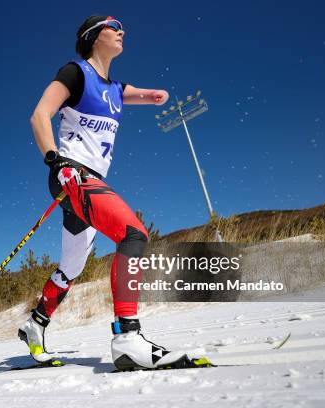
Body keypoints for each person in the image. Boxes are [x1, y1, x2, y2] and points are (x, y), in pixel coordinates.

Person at [19, 15, 207, 371]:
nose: (122, 31)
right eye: (113, 25)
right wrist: (54, 161)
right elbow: (40, 116)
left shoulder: (116, 89)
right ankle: (127, 338)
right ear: (93, 36)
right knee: (133, 234)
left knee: (72, 266)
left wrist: (153, 96)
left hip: (89, 180)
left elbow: (129, 94)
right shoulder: (75, 73)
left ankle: (35, 323)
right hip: (71, 173)